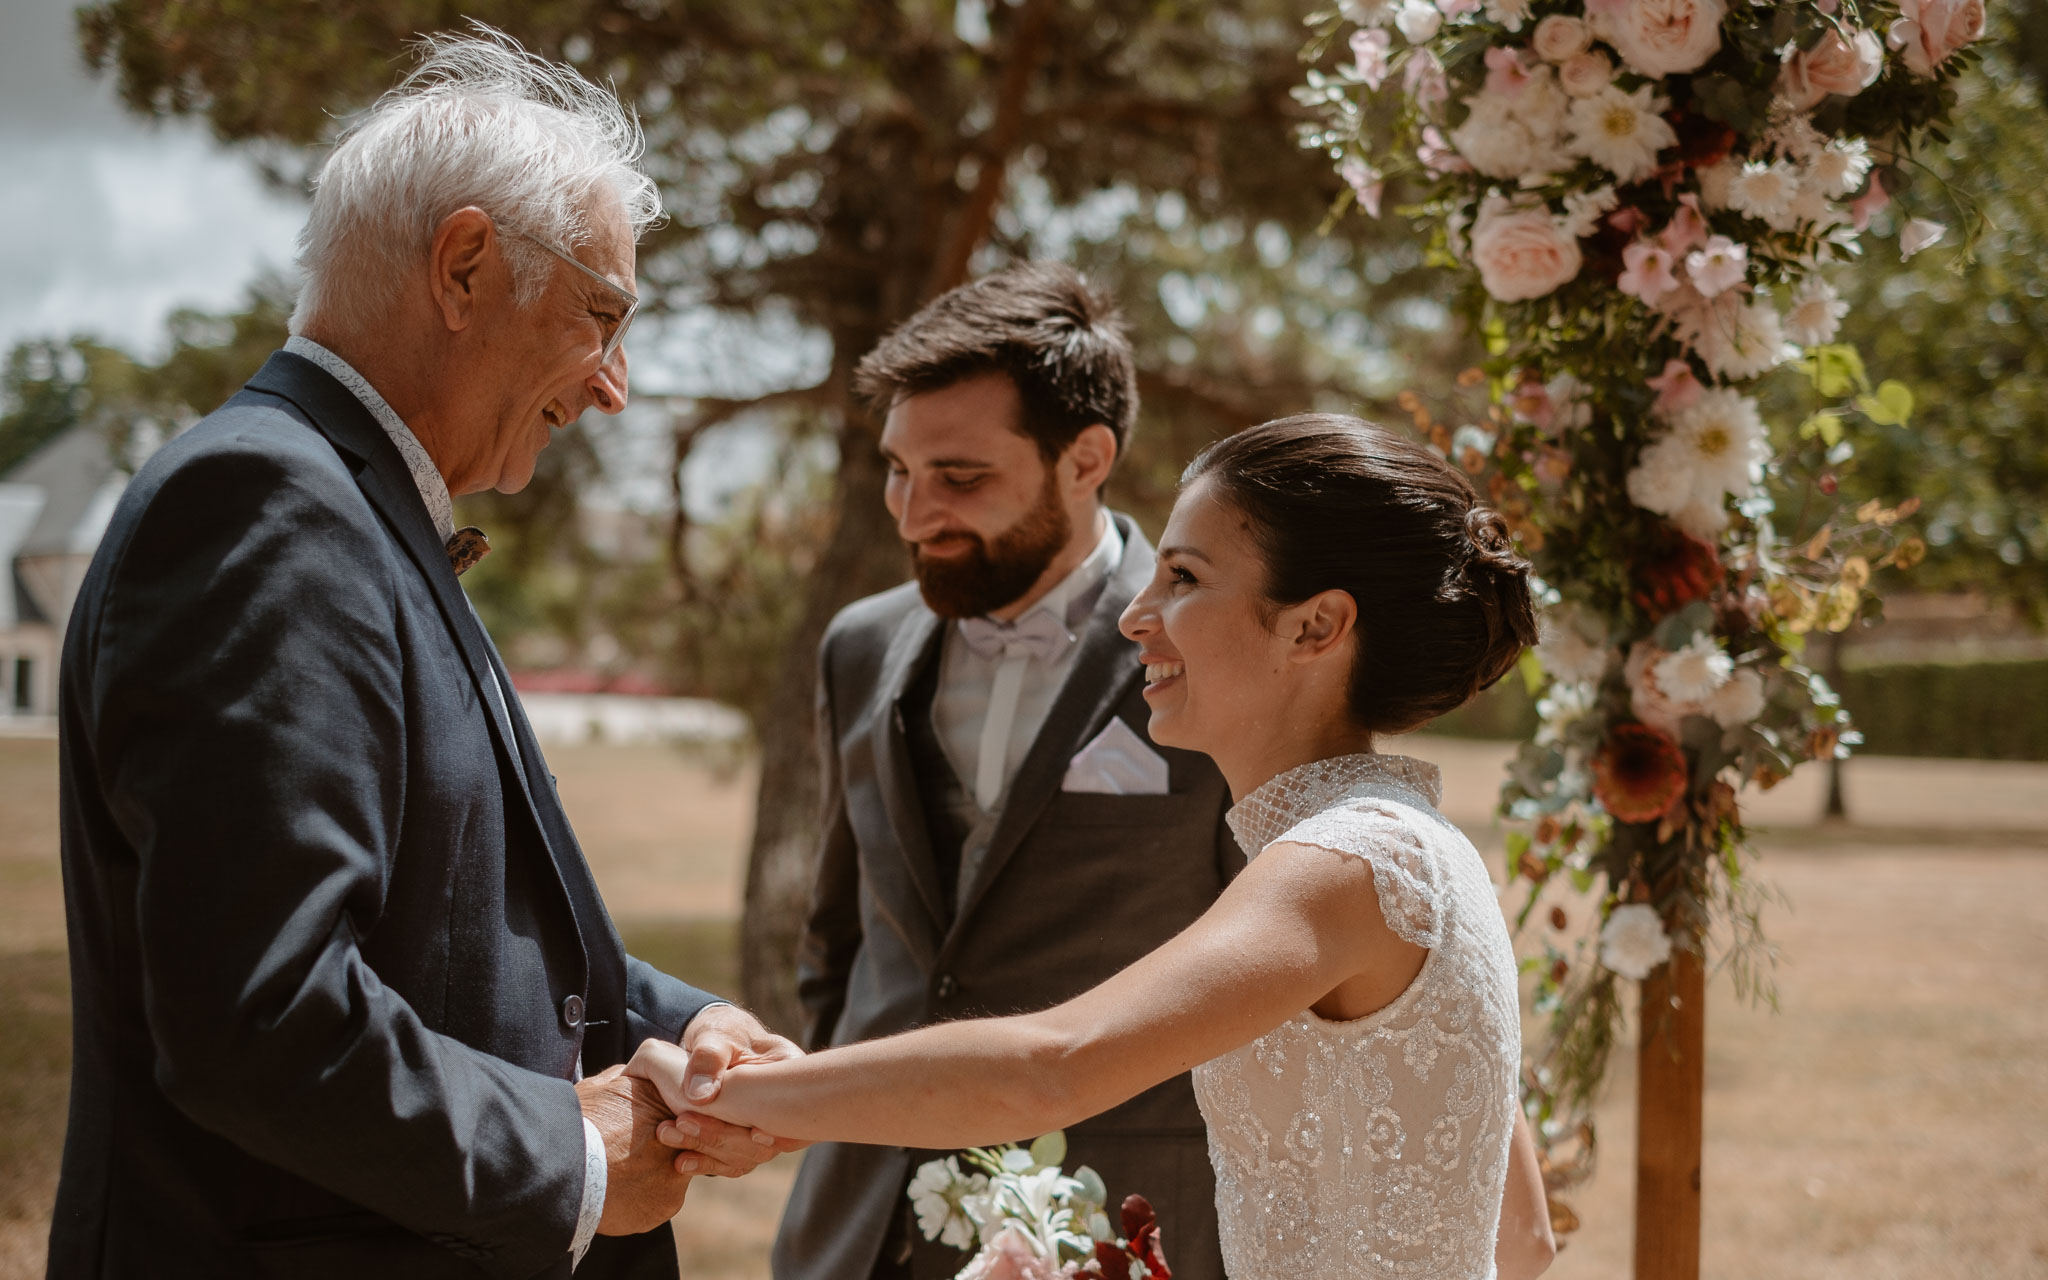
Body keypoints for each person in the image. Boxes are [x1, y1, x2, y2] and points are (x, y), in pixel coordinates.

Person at [47, 31, 798, 1279]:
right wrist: (575, 1153)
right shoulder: (267, 507)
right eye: (601, 315)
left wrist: (682, 1020)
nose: (614, 386)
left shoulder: (347, 506)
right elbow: (260, 1012)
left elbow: (451, 927)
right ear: (463, 266)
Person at [634, 414, 1559, 1280]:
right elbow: (1523, 1236)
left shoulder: (1346, 866)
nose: (1133, 616)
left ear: (1315, 625)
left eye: (1186, 579)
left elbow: (1054, 1066)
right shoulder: (1414, 852)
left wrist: (738, 1099)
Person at [771, 262, 1240, 1280]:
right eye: (897, 468)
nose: (912, 512)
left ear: (1085, 458)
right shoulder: (857, 646)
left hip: (1114, 1224)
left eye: (960, 476)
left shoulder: (1215, 654)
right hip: (858, 1226)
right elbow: (841, 937)